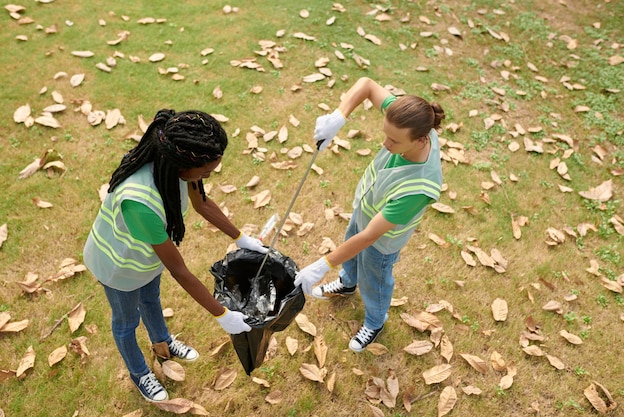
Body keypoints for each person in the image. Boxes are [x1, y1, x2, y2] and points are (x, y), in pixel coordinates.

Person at [83, 109, 267, 402]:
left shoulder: (176, 165)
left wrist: (241, 237)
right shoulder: (139, 201)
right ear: (184, 166)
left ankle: (163, 342)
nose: (207, 177)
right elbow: (179, 271)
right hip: (118, 268)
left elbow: (202, 204)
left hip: (146, 259)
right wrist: (222, 314)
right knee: (126, 321)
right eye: (206, 172)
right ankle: (140, 371)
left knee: (151, 299)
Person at [294, 77, 445, 352]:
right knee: (350, 249)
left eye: (395, 141)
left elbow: (368, 237)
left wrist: (321, 264)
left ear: (421, 139)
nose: (386, 144)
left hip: (382, 241)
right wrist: (338, 117)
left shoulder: (419, 187)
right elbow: (366, 84)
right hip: (366, 208)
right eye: (385, 134)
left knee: (375, 275)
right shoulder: (412, 121)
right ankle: (348, 283)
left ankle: (375, 320)